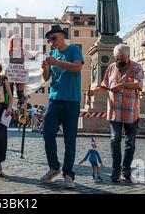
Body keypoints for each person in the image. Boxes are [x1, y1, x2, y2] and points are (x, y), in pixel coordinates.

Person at [88, 44, 144, 184]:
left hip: (131, 111)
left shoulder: (136, 67)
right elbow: (104, 85)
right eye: (117, 58)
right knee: (114, 141)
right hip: (114, 111)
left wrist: (122, 85)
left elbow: (139, 84)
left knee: (129, 143)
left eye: (122, 57)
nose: (120, 60)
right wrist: (95, 92)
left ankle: (126, 171)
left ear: (128, 55)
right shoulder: (111, 67)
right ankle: (115, 171)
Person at [39, 25, 84, 189]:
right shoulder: (52, 54)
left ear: (62, 36)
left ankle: (68, 174)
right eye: (49, 40)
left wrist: (56, 62)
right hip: (54, 99)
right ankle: (54, 167)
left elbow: (78, 67)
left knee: (69, 140)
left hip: (71, 100)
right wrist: (45, 67)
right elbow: (46, 78)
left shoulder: (73, 49)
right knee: (47, 134)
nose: (51, 42)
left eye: (53, 38)